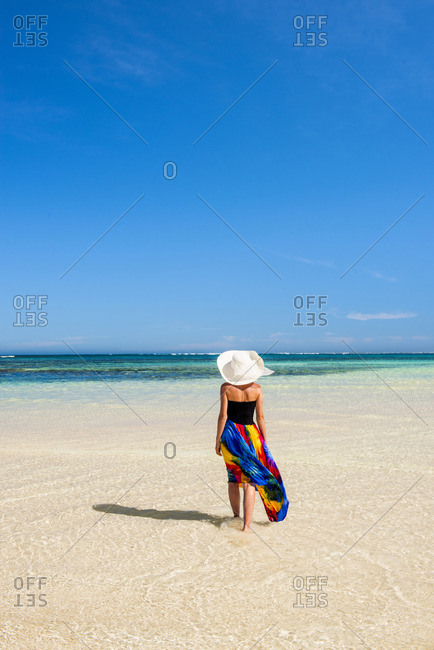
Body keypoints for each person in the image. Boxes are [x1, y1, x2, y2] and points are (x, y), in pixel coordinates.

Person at [215, 350, 288, 532]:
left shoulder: (226, 388)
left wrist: (217, 440)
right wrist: (263, 442)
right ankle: (246, 527)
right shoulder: (257, 389)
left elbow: (223, 416)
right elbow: (261, 417)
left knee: (233, 479)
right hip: (251, 436)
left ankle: (235, 518)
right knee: (249, 482)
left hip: (231, 435)